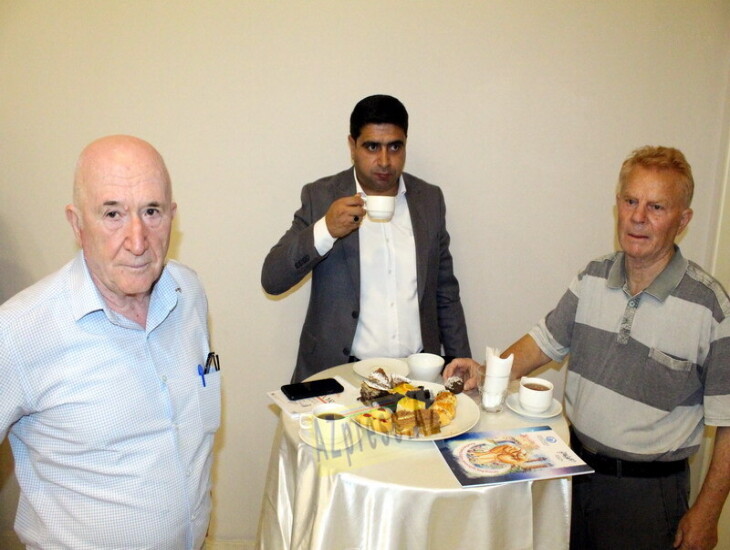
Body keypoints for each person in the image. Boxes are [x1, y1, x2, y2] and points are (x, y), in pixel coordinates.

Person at [445, 146, 730, 550]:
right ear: (617, 205)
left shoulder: (711, 308)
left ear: (682, 220)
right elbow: (542, 342)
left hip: (647, 498)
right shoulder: (593, 277)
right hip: (573, 471)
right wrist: (486, 372)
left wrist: (708, 512)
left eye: (656, 207)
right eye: (630, 201)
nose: (638, 217)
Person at [0, 136, 219, 549]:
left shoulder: (189, 292)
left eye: (151, 212)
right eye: (112, 214)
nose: (137, 241)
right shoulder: (17, 333)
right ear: (76, 223)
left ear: (172, 216)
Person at [262, 94, 471, 382]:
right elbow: (272, 279)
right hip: (340, 375)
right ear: (353, 145)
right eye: (372, 146)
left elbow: (445, 292)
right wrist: (326, 229)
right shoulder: (321, 197)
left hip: (416, 376)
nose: (384, 161)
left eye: (395, 147)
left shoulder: (428, 199)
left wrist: (462, 363)